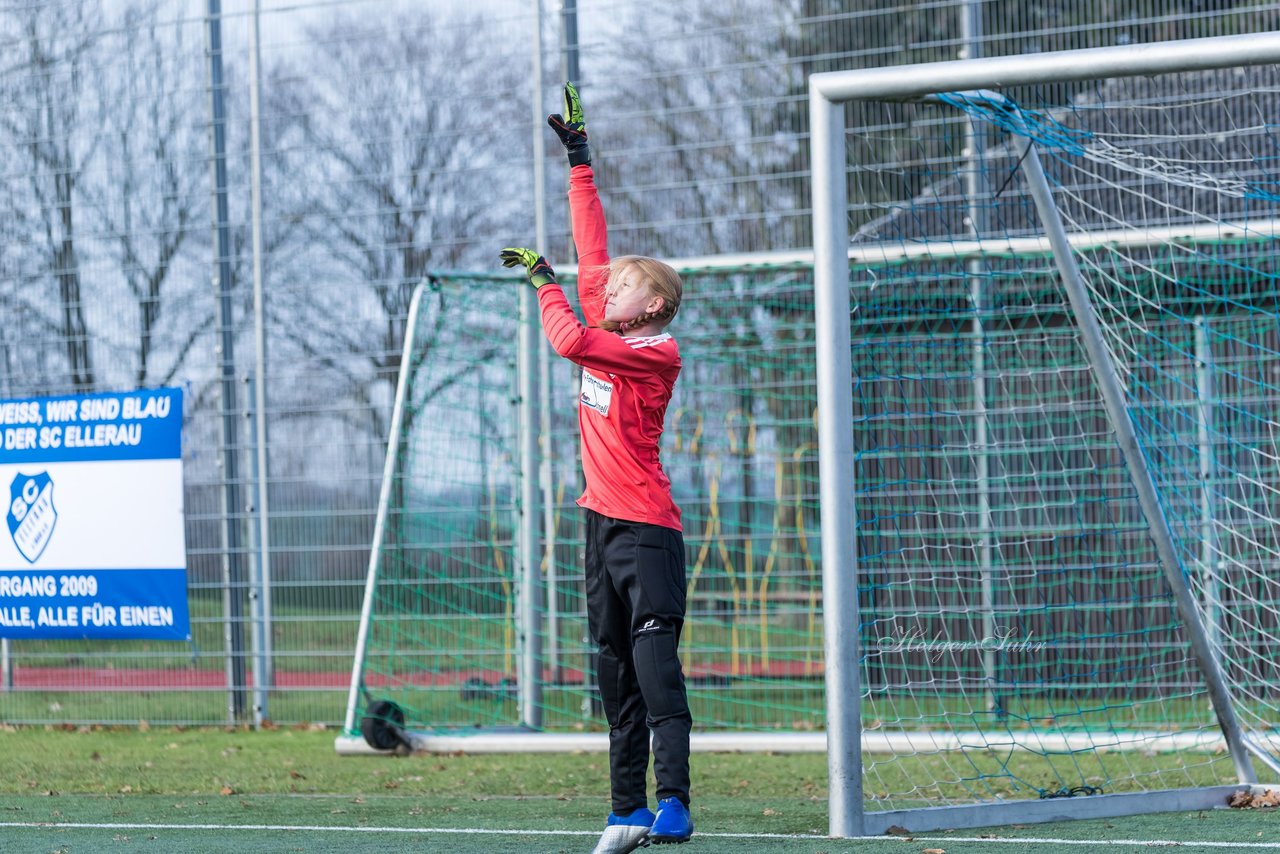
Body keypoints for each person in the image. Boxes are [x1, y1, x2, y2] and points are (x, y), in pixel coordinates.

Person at [500, 82, 693, 853]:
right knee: (614, 677)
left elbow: (569, 341)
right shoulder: (614, 320)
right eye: (607, 284)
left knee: (654, 670)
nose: (609, 284)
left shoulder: (655, 352)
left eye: (625, 284)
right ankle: (626, 810)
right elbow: (593, 244)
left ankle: (675, 801)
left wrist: (544, 284)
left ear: (653, 304)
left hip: (648, 532)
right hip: (599, 526)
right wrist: (579, 161)